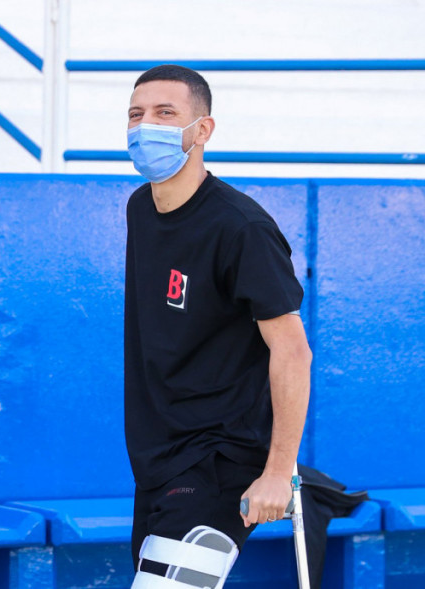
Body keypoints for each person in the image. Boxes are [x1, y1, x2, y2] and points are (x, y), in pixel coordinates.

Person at [123, 64, 313, 588]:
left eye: (165, 113)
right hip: (158, 459)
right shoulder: (141, 208)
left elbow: (293, 351)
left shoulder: (241, 228)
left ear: (202, 129)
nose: (146, 125)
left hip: (221, 457)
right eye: (136, 114)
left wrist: (278, 472)